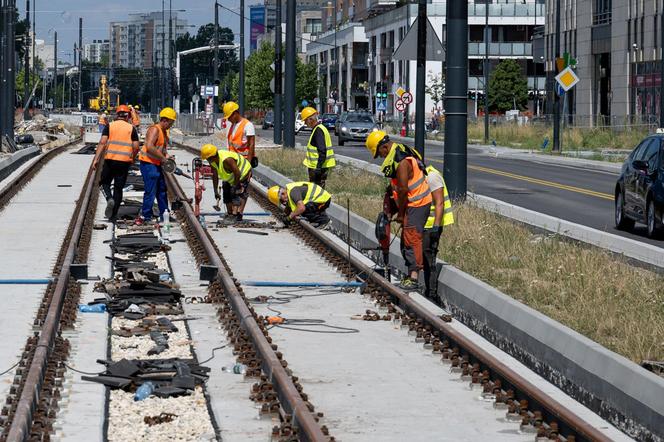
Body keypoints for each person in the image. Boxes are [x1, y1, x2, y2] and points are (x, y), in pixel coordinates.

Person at [365, 130, 432, 290]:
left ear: (384, 147)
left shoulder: (401, 160)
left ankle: (414, 278)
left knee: (411, 238)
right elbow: (396, 187)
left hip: (417, 203)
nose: (380, 157)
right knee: (406, 241)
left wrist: (401, 214)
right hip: (411, 203)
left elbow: (402, 189)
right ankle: (411, 274)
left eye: (378, 153)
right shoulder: (398, 152)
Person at [92, 105, 140, 222]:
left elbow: (102, 143)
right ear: (127, 115)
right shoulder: (131, 128)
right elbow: (136, 146)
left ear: (117, 114)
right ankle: (113, 215)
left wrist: (96, 159)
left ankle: (109, 198)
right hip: (124, 162)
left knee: (104, 182)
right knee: (118, 188)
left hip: (110, 160)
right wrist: (132, 158)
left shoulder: (110, 126)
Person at [136, 107, 177, 225]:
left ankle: (164, 214)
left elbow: (161, 149)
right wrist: (164, 159)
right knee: (151, 190)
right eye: (171, 122)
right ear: (165, 120)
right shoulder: (155, 129)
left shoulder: (163, 132)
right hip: (148, 164)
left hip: (156, 164)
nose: (171, 125)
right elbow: (149, 146)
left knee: (161, 189)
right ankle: (145, 216)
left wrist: (167, 156)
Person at [422, 164, 454, 300]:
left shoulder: (432, 177)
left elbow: (439, 203)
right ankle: (427, 289)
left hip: (431, 227)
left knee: (429, 258)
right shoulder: (421, 177)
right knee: (423, 258)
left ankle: (432, 294)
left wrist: (435, 227)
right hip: (423, 225)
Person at [200, 143, 252, 221]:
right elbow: (215, 175)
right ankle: (230, 214)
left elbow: (237, 172)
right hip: (231, 176)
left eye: (208, 159)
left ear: (212, 157)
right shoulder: (213, 162)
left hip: (243, 173)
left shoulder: (227, 159)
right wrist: (215, 191)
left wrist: (235, 186)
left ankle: (237, 214)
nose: (207, 161)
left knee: (238, 193)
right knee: (226, 190)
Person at [223, 101, 256, 217]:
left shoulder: (247, 125)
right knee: (228, 186)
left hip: (243, 163)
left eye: (229, 117)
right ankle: (231, 212)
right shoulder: (232, 126)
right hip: (232, 162)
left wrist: (248, 165)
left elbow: (251, 145)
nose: (228, 120)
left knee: (241, 188)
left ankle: (239, 214)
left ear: (235, 113)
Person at [267, 181, 331, 229]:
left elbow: (301, 208)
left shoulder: (293, 192)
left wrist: (289, 217)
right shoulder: (288, 192)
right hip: (319, 199)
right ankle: (320, 217)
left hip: (323, 200)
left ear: (283, 193)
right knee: (300, 209)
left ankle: (324, 221)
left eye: (281, 200)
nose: (283, 203)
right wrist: (284, 215)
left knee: (303, 210)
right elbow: (289, 207)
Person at [300, 106, 335, 188]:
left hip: (317, 167)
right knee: (317, 190)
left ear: (310, 120)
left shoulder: (318, 131)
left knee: (316, 191)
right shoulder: (319, 129)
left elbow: (322, 150)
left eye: (305, 120)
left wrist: (318, 167)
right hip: (318, 166)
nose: (305, 123)